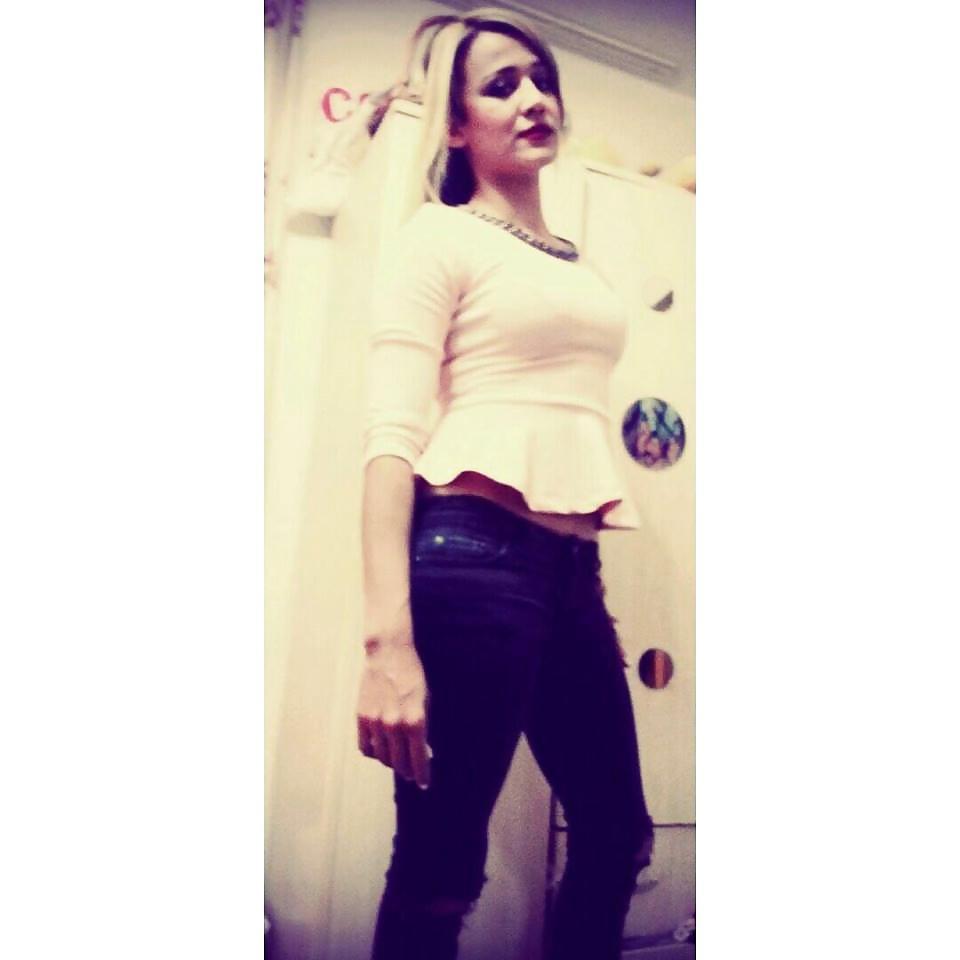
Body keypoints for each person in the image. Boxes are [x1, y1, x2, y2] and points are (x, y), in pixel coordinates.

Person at [356, 9, 655, 959]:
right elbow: (390, 438)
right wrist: (387, 646)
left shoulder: (572, 257)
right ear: (454, 125)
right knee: (442, 866)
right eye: (500, 85)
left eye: (540, 79)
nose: (533, 98)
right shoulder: (436, 237)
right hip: (471, 559)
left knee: (616, 836)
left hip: (569, 575)